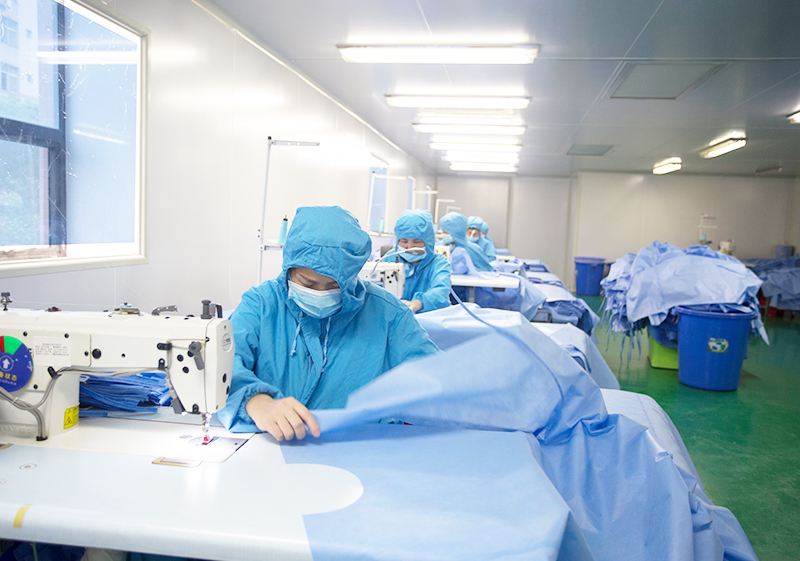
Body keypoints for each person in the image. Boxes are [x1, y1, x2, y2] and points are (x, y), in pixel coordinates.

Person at [217, 206, 440, 441]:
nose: (320, 293)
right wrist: (255, 401)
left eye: (334, 286)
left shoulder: (389, 315)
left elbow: (438, 379)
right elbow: (224, 367)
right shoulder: (261, 305)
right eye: (308, 284)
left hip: (361, 449)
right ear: (289, 268)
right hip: (272, 448)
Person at [392, 209, 452, 313]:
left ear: (428, 242)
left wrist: (418, 303)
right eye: (404, 241)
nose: (409, 247)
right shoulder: (389, 259)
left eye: (416, 242)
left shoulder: (439, 264)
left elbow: (441, 291)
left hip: (427, 317)